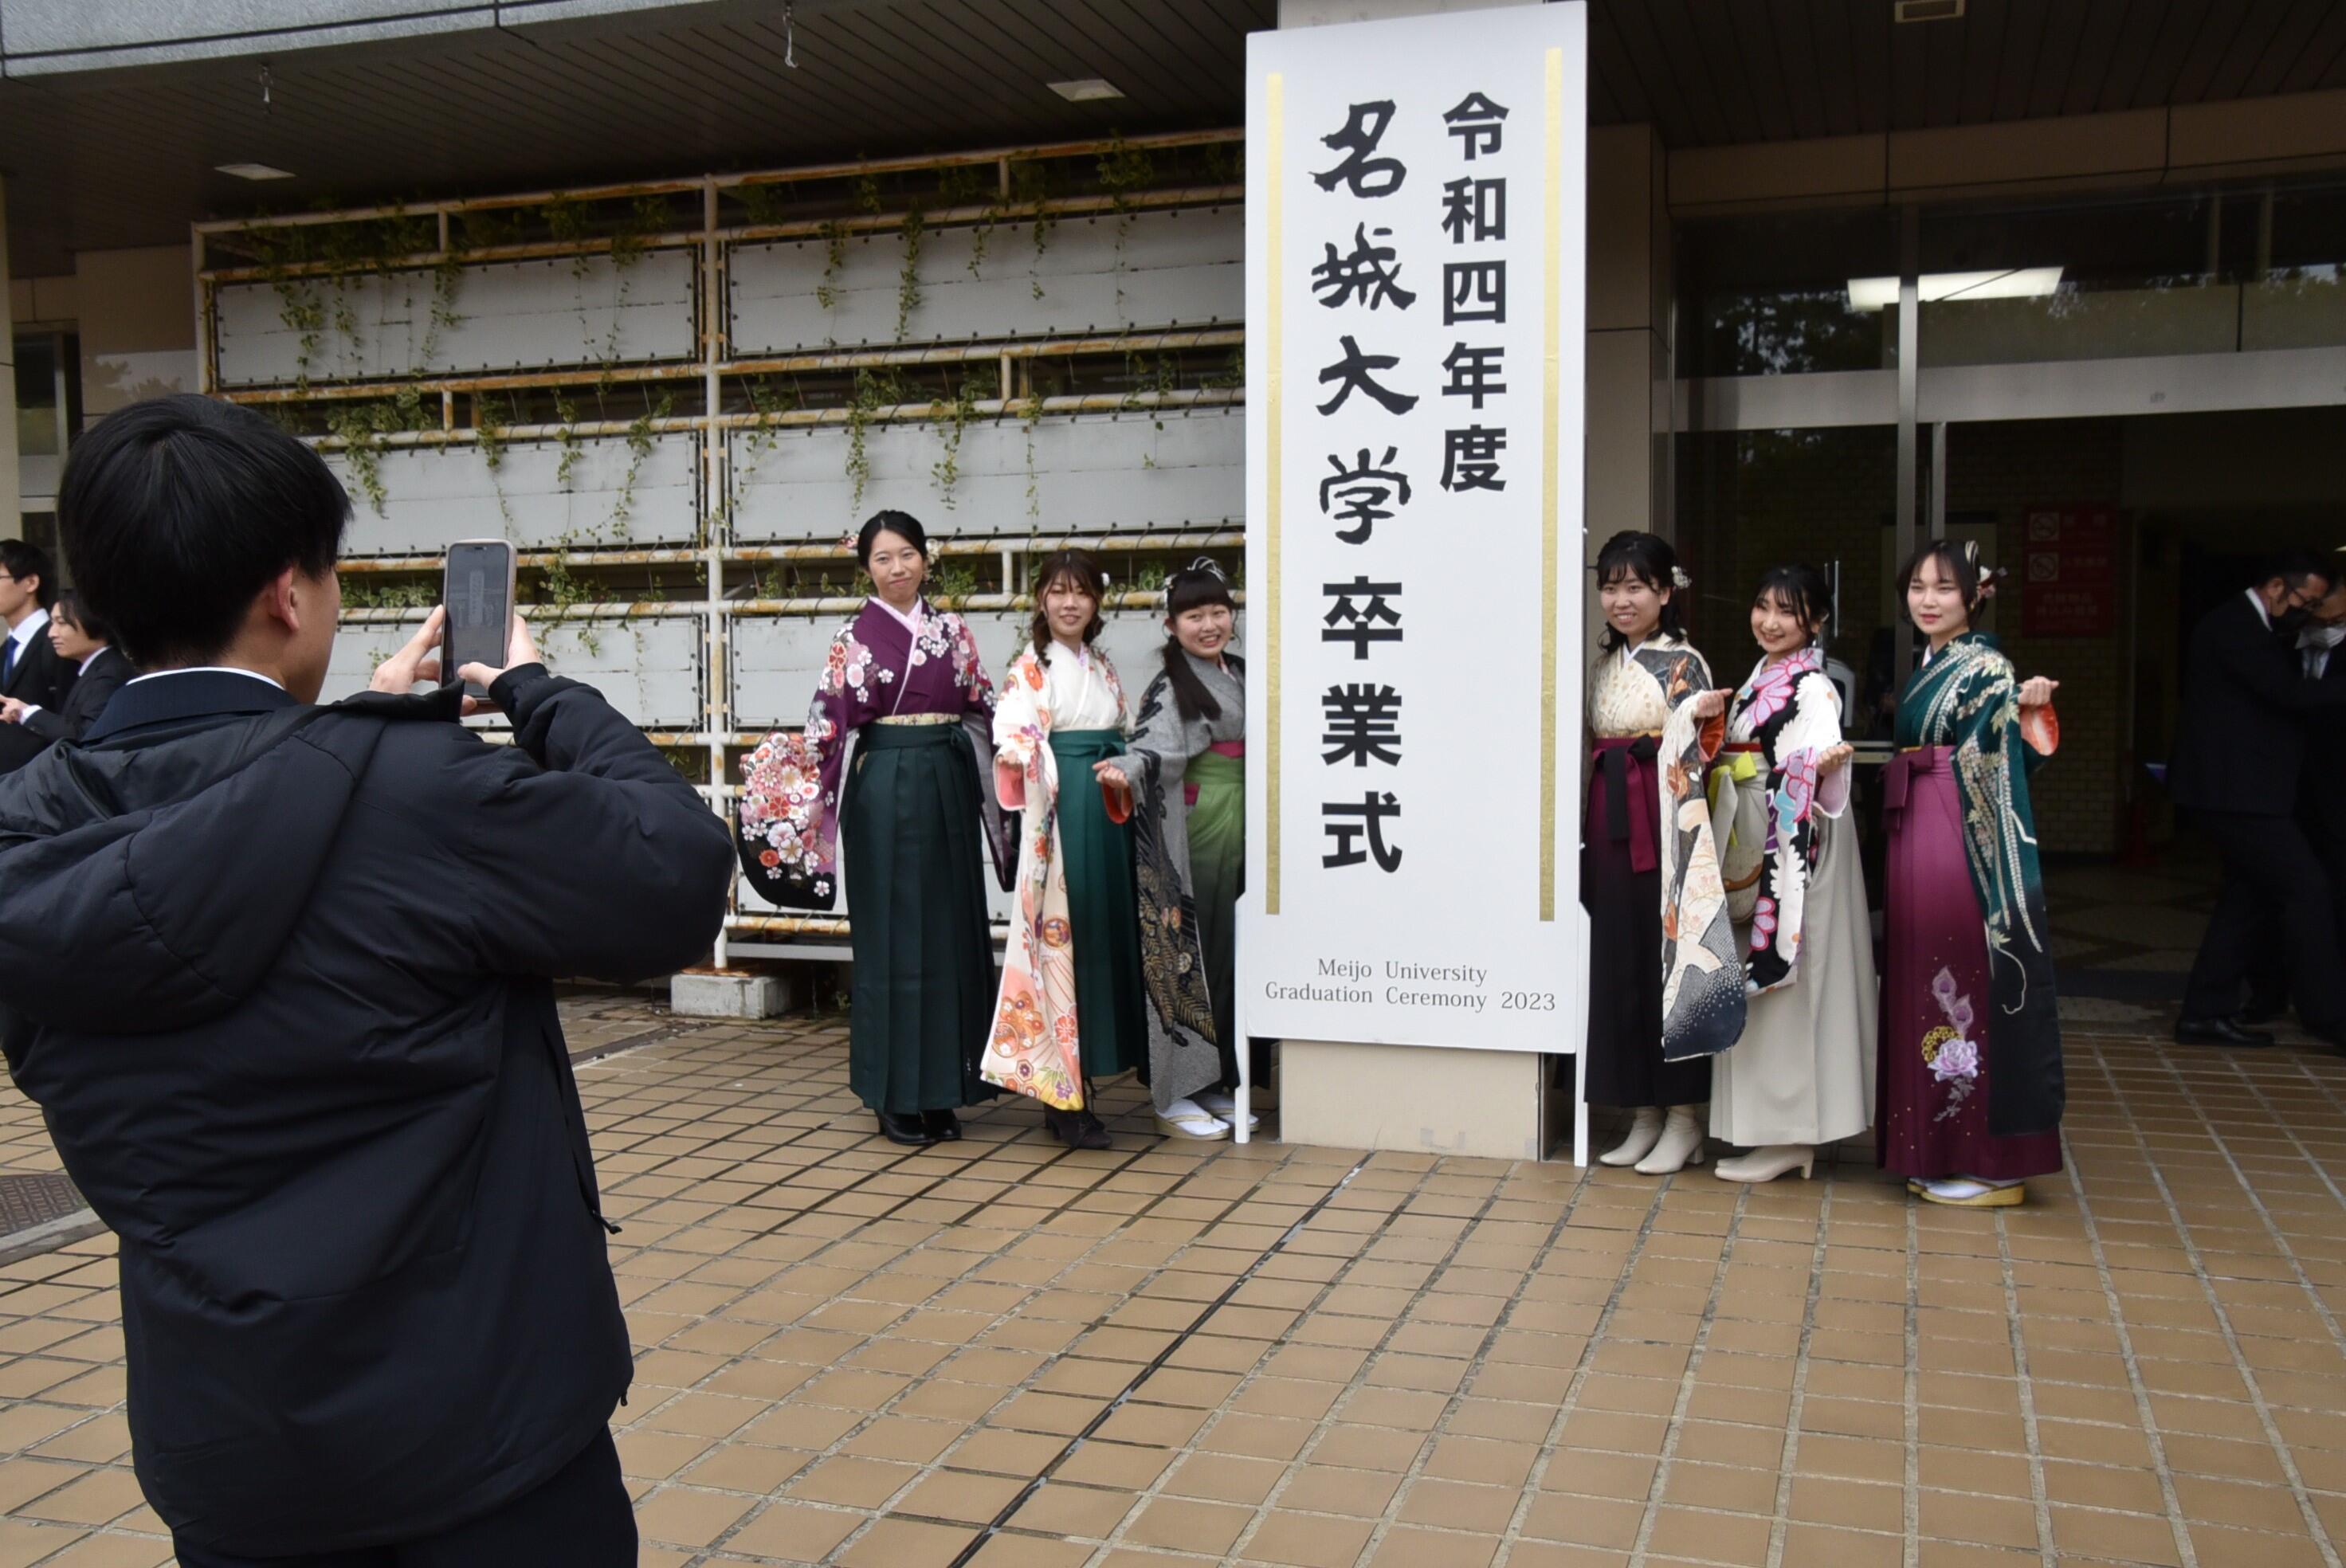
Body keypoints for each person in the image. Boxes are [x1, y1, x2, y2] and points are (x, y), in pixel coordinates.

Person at [0, 394, 735, 1565]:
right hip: (479, 1441)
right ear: (290, 593)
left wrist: (348, 735)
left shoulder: (25, 829)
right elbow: (676, 873)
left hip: (231, 1454)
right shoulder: (413, 790)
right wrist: (532, 692)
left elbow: (210, 828)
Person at [736, 510, 1016, 1147]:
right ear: (867, 567)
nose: (898, 568)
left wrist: (1026, 746)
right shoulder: (853, 639)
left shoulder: (953, 632)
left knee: (950, 933)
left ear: (927, 558)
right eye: (884, 558)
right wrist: (784, 774)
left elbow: (985, 707)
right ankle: (893, 1093)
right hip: (885, 785)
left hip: (945, 777)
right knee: (892, 940)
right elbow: (825, 730)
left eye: (907, 555)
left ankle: (947, 1089)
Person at [1877, 539, 2063, 1207]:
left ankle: (1991, 1160)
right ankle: (1939, 1147)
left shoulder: (1986, 667)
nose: (1928, 600)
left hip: (1955, 824)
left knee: (1956, 971)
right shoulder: (1932, 663)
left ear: (1974, 596)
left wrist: (2027, 710)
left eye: (1944, 589)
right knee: (1923, 967)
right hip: (1921, 818)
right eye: (1918, 588)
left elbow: (2004, 756)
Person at [1689, 564, 1875, 1183]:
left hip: (1795, 845)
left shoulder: (1814, 686)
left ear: (1815, 622)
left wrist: (1816, 771)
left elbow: (1818, 769)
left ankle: (1794, 1134)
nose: (1770, 621)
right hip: (1759, 837)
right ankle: (1770, 1130)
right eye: (1763, 606)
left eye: (1788, 612)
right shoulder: (1759, 678)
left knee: (1793, 988)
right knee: (1762, 987)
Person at [978, 549, 1146, 1149]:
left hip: (1105, 809)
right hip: (1062, 810)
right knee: (1059, 949)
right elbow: (1013, 738)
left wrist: (1121, 766)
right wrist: (1040, 761)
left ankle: (1083, 1084)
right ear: (1042, 601)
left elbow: (1120, 728)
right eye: (1057, 591)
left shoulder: (1100, 665)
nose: (1069, 603)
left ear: (1095, 603)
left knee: (1099, 941)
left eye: (1080, 593)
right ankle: (1061, 1098)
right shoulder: (1031, 669)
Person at [1583, 530, 1721, 1175]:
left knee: (1671, 962)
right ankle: (1641, 1111)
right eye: (1611, 587)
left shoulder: (1685, 663)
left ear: (1666, 592)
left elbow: (1698, 753)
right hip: (1610, 822)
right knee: (1620, 964)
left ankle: (1684, 1115)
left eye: (1636, 586)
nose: (1621, 599)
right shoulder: (1604, 665)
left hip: (1665, 822)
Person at [1096, 559, 1249, 1140]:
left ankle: (1220, 1079)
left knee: (1231, 954)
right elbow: (1151, 747)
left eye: (1218, 612)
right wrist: (1125, 770)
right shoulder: (1170, 685)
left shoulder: (1239, 671)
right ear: (1170, 623)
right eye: (1194, 615)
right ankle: (1175, 1090)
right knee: (1191, 954)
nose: (1209, 624)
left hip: (1244, 822)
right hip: (1200, 825)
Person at [2169, 550, 2346, 1050]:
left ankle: (2204, 1013)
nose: (2307, 613)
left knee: (2245, 902)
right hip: (2235, 794)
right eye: (2304, 602)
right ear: (2276, 588)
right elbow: (2288, 696)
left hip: (2246, 793)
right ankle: (2329, 1016)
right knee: (2307, 888)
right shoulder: (2233, 629)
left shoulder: (2255, 629)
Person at [0, 591, 135, 743]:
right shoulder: (96, 668)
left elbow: (86, 735)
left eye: (62, 623)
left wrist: (26, 712)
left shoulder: (110, 673)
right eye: (52, 623)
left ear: (92, 621)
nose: (52, 633)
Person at [0, 540, 72, 773]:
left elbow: (69, 722)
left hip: (44, 784)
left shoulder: (60, 644)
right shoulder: (6, 649)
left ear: (31, 582)